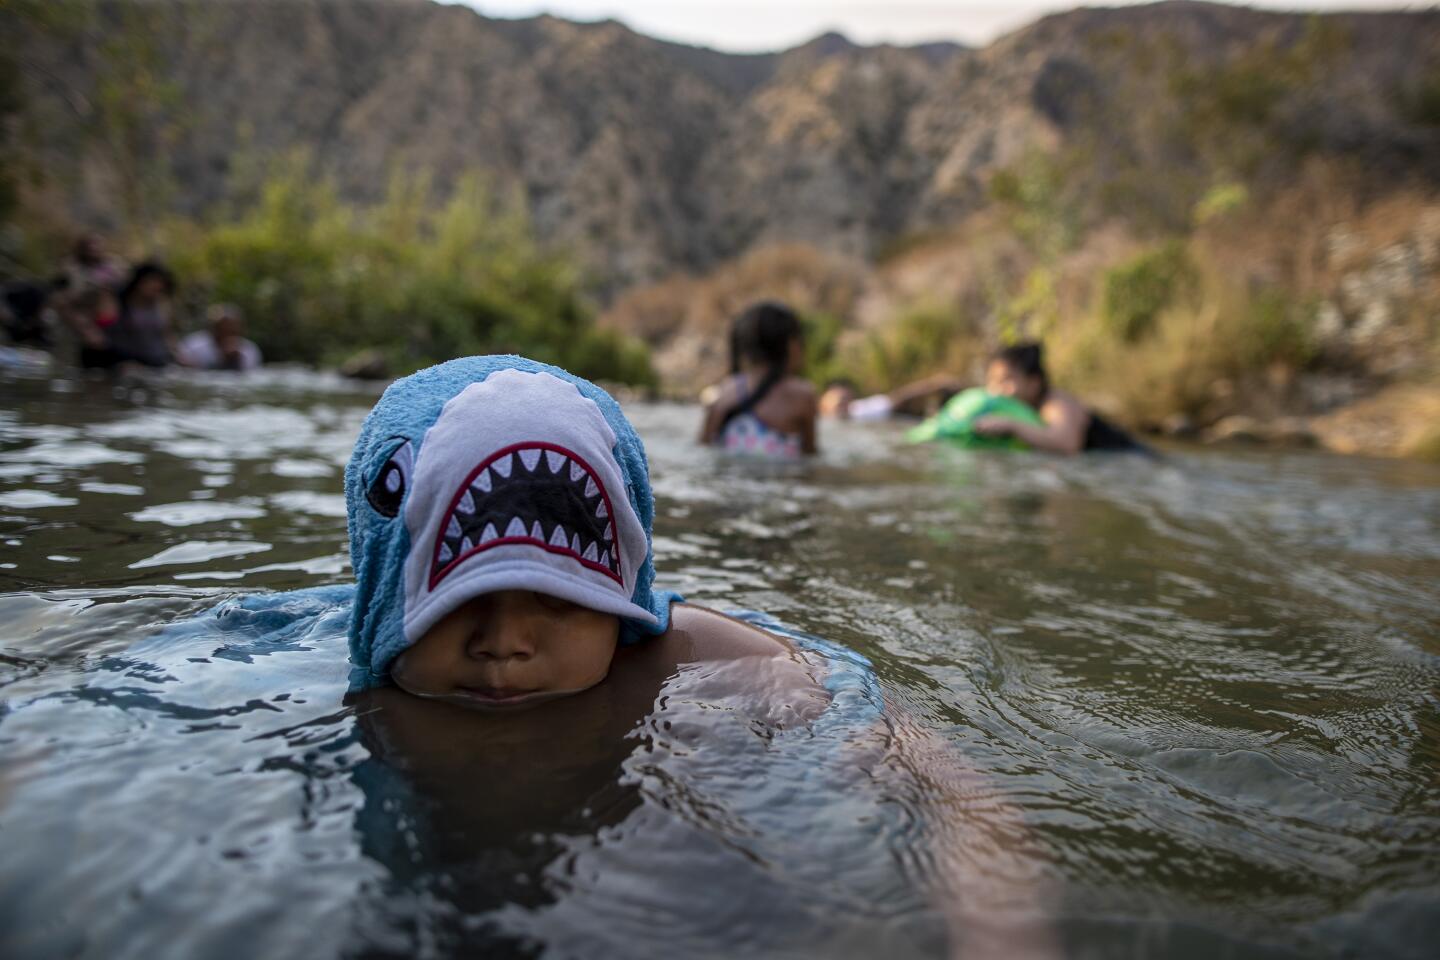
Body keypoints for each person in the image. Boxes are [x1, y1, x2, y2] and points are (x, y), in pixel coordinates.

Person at [974, 341, 1148, 454]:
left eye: (1006, 380)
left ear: (1034, 383)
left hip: (1134, 458)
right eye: (992, 381)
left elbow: (1067, 444)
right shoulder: (1024, 408)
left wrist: (1011, 426)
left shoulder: (1056, 403)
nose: (995, 390)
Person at [698, 301, 817, 458]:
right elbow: (809, 455)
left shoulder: (725, 390)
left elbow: (703, 446)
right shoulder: (802, 395)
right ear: (790, 344)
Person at [103, 261, 178, 369]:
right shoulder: (117, 302)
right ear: (140, 281)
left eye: (160, 286)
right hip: (124, 361)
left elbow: (167, 335)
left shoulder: (161, 306)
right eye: (152, 282)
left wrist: (178, 356)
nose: (157, 287)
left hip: (157, 361)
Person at [177, 303, 262, 371]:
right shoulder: (193, 346)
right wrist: (220, 360)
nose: (227, 334)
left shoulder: (249, 350)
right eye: (223, 329)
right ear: (213, 328)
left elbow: (250, 374)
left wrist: (236, 360)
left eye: (232, 330)